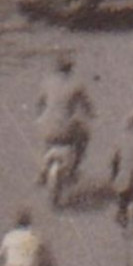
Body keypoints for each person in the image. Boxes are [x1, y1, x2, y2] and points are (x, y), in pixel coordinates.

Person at [35, 51, 94, 184]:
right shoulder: (77, 85)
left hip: (47, 127)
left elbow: (39, 104)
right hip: (66, 128)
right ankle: (74, 169)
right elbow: (86, 106)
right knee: (84, 137)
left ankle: (42, 171)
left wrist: (39, 117)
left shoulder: (46, 83)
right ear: (70, 68)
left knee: (47, 143)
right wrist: (91, 114)